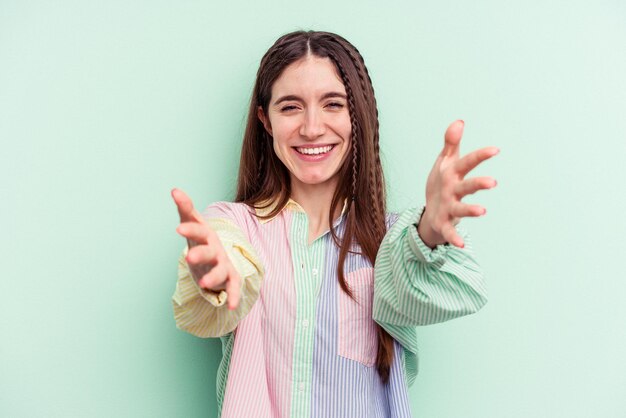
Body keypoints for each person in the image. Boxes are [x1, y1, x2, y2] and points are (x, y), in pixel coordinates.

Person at [171, 30, 498, 418]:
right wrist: (219, 277)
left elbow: (444, 285)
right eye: (290, 107)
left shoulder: (390, 242)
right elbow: (227, 260)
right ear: (266, 120)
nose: (312, 128)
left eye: (332, 104)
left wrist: (428, 231)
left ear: (356, 115)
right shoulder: (236, 226)